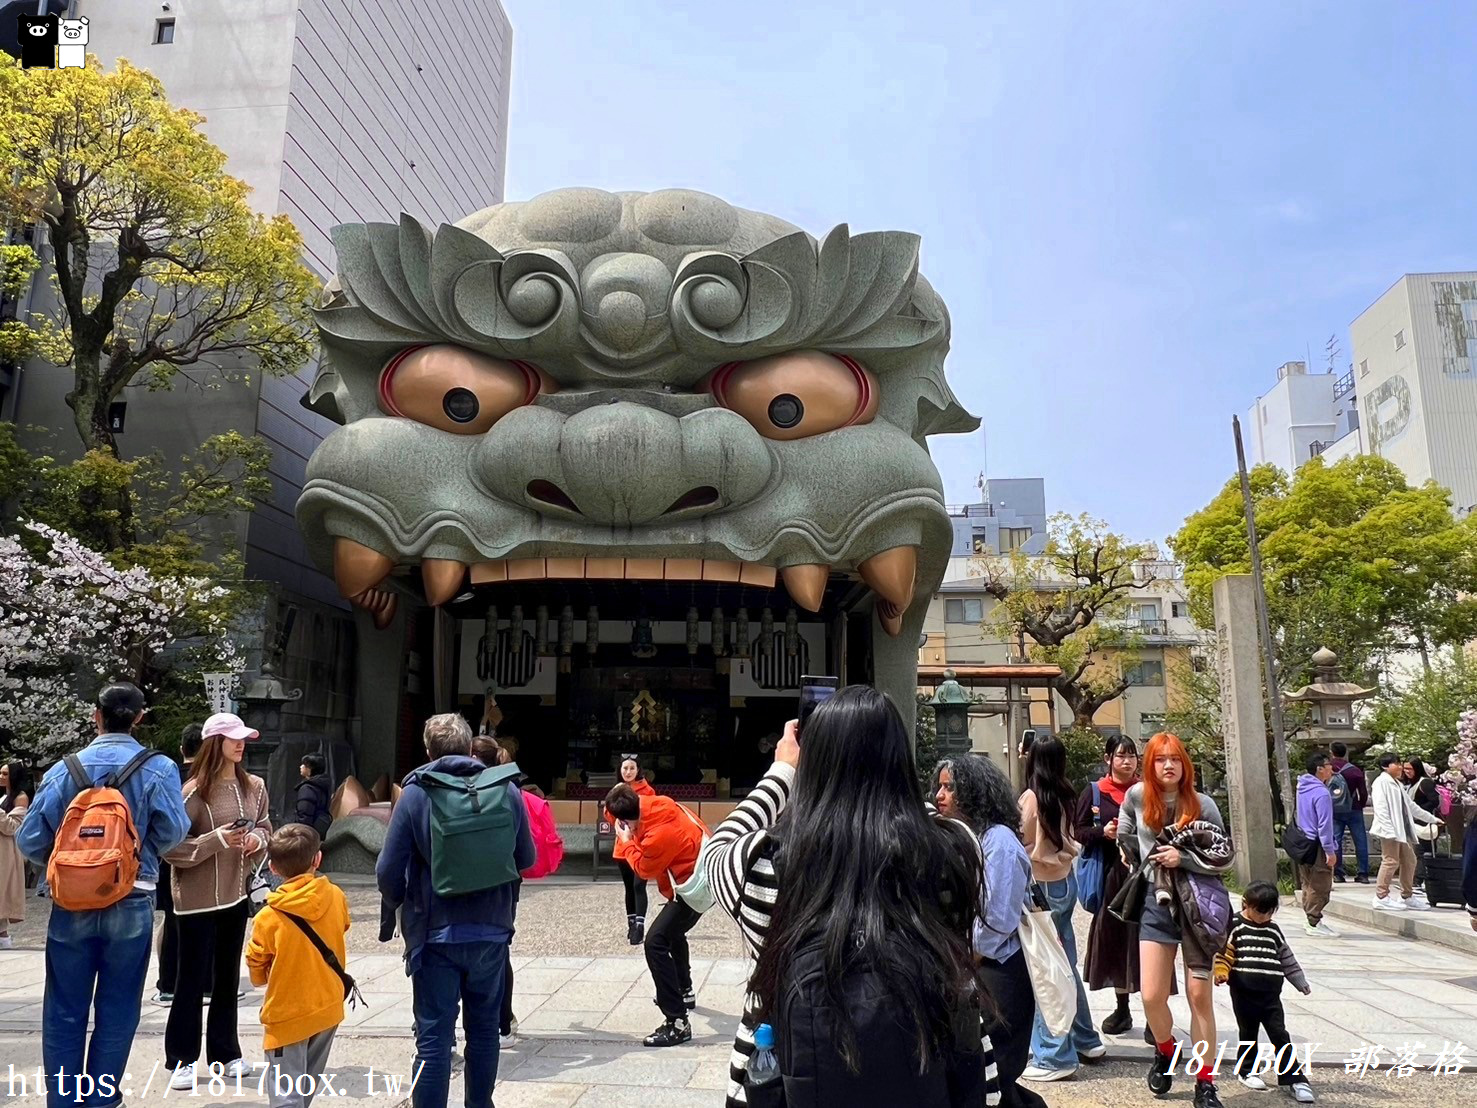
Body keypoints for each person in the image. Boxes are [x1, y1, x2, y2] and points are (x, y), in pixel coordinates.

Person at [702, 687, 994, 1107]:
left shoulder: (763, 863)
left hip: (783, 1079)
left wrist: (782, 771)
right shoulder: (953, 850)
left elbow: (714, 850)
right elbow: (920, 814)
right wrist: (890, 790)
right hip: (936, 1075)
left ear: (811, 763)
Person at [17, 682, 192, 1108]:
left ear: (96, 715)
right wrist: (136, 851)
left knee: (63, 1006)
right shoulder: (159, 767)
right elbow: (173, 832)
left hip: (70, 903)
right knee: (118, 1006)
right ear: (139, 717)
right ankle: (102, 1100)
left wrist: (69, 865)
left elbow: (29, 839)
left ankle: (63, 1101)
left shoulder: (66, 769)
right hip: (132, 897)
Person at [377, 712, 535, 1108]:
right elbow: (526, 856)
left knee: (434, 1041)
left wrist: (398, 905)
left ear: (428, 751)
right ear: (469, 748)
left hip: (435, 933)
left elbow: (387, 871)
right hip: (492, 931)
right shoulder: (506, 788)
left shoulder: (417, 793)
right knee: (483, 1032)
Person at [1118, 732, 1233, 1108]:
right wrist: (1133, 854)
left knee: (1200, 996)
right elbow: (1125, 831)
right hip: (1157, 901)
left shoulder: (1203, 804)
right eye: (1160, 759)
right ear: (1149, 765)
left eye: (1176, 759)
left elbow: (1225, 856)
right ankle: (1166, 1051)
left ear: (1185, 765)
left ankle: (1205, 1081)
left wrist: (1181, 859)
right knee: (1151, 995)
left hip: (1198, 907)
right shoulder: (1137, 796)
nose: (1169, 765)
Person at [163, 712, 273, 1088]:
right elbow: (171, 848)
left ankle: (226, 1053)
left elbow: (266, 827)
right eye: (233, 738)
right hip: (194, 900)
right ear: (215, 743)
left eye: (243, 737)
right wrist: (218, 840)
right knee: (190, 981)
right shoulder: (192, 791)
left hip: (234, 895)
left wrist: (257, 840)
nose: (240, 743)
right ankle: (181, 1059)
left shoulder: (255, 786)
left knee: (227, 979)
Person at [935, 753, 1036, 1108]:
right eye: (940, 786)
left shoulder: (1000, 842)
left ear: (974, 792)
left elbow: (995, 923)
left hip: (1000, 973)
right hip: (979, 968)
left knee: (996, 1070)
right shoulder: (971, 837)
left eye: (950, 787)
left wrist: (964, 962)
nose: (940, 795)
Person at [1018, 737, 1106, 1081]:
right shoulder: (1068, 794)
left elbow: (1021, 837)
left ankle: (1054, 1055)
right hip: (1065, 881)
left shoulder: (1031, 797)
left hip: (1039, 885)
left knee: (1046, 969)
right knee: (1063, 963)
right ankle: (1086, 1038)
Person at [245, 824, 351, 1108]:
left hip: (287, 1013)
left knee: (285, 1096)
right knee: (304, 1089)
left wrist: (260, 977)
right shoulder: (336, 896)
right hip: (328, 1005)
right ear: (317, 859)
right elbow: (343, 926)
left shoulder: (269, 916)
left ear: (273, 868)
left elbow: (256, 960)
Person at [604, 776, 709, 1046]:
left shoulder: (658, 836)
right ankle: (684, 990)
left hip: (693, 886)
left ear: (625, 821)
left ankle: (676, 1021)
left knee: (655, 942)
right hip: (693, 877)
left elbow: (643, 869)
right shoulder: (655, 802)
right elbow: (616, 805)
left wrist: (626, 841)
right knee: (674, 934)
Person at [1213, 881, 1316, 1103]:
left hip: (1270, 993)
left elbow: (1286, 957)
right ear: (1246, 905)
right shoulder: (1235, 926)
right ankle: (1247, 1070)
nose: (1264, 916)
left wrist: (1299, 981)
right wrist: (1221, 972)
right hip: (1244, 990)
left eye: (1270, 912)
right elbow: (1224, 953)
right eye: (1260, 911)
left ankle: (1294, 1078)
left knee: (1279, 1034)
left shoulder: (1273, 930)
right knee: (1248, 1032)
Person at [1074, 735, 1143, 1036]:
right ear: (1108, 759)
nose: (1127, 761)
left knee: (1150, 940)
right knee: (1115, 941)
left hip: (1145, 875)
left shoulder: (1147, 791)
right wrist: (1103, 832)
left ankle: (1156, 1014)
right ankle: (1123, 1007)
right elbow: (1078, 831)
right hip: (1111, 877)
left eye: (1131, 756)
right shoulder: (1094, 792)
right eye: (1120, 756)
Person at [154, 723, 202, 1004]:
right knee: (204, 920)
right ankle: (203, 981)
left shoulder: (167, 776)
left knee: (171, 921)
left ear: (182, 749)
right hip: (203, 855)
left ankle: (168, 982)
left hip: (167, 856)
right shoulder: (210, 778)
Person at [1370, 753, 1437, 911]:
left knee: (1410, 860)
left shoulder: (1396, 783)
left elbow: (1411, 807)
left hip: (1400, 830)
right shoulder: (1381, 783)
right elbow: (1381, 809)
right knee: (1390, 861)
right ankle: (1381, 896)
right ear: (1386, 766)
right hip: (1390, 830)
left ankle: (1407, 895)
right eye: (1396, 764)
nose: (1400, 767)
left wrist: (1431, 819)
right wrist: (1388, 830)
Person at [1294, 752, 1339, 937]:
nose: (1331, 769)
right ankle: (1313, 921)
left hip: (1303, 841)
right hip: (1317, 843)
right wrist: (1330, 850)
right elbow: (1324, 825)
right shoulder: (1321, 793)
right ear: (1320, 769)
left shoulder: (1302, 787)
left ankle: (1311, 919)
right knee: (1321, 883)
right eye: (1328, 765)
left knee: (1308, 881)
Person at [612, 754, 654, 945]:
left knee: (639, 885)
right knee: (629, 887)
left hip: (641, 843)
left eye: (631, 768)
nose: (628, 772)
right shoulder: (617, 790)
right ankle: (630, 922)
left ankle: (640, 925)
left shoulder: (647, 791)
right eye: (625, 768)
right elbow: (610, 815)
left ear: (638, 770)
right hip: (622, 845)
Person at [0, 761, 32, 948]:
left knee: (3, 891)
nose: (1, 777)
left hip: (7, 853)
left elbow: (13, 827)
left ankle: (4, 937)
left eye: (5, 774)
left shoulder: (20, 798)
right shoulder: (4, 796)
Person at [1328, 742, 1369, 884]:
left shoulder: (1327, 769)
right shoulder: (1355, 771)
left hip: (1334, 810)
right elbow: (1363, 792)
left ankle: (1338, 873)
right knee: (1361, 841)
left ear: (1331, 752)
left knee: (1336, 841)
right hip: (1354, 808)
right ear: (1345, 752)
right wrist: (1360, 805)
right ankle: (1363, 874)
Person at [1403, 757, 1442, 880]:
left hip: (1424, 823)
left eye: (1410, 769)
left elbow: (1434, 801)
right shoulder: (1410, 785)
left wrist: (1418, 811)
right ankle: (1418, 878)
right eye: (1405, 768)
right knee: (1416, 852)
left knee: (1423, 852)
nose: (1406, 771)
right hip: (1413, 823)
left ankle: (1421, 879)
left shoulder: (1424, 783)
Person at [294, 753, 333, 840]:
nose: (301, 767)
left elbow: (304, 814)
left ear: (310, 769)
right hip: (322, 826)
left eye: (304, 765)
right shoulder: (323, 784)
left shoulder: (307, 788)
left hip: (309, 832)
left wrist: (301, 835)